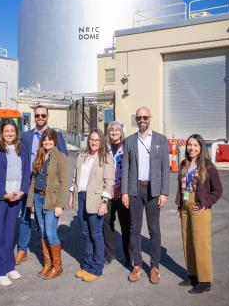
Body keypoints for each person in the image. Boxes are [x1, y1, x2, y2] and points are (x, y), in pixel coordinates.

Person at [121, 106, 169, 284]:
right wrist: (125, 191)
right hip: (134, 190)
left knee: (154, 229)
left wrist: (164, 192)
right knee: (134, 229)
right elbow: (125, 168)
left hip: (154, 191)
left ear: (150, 118)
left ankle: (155, 267)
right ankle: (137, 264)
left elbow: (165, 169)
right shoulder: (130, 141)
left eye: (145, 118)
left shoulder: (161, 140)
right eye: (139, 118)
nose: (142, 121)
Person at [16, 105, 67, 265]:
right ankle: (22, 249)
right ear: (34, 116)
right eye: (37, 115)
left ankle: (52, 261)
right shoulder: (26, 136)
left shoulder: (56, 136)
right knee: (25, 216)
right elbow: (20, 159)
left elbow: (63, 159)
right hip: (30, 182)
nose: (40, 118)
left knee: (47, 225)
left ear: (47, 116)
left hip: (49, 185)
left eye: (43, 115)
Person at [175, 134, 223, 294]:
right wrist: (179, 205)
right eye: (189, 145)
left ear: (201, 147)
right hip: (185, 206)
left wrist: (205, 203)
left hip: (200, 207)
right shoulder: (184, 163)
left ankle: (205, 280)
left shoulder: (208, 166)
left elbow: (218, 190)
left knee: (201, 243)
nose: (191, 148)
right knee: (187, 241)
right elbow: (180, 187)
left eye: (195, 145)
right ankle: (193, 275)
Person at [0, 119, 30, 286]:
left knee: (10, 232)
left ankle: (9, 266)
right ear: (1, 133)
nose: (10, 134)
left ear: (16, 132)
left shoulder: (21, 148)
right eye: (6, 131)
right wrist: (4, 194)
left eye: (12, 131)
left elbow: (26, 170)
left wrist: (22, 190)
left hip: (16, 196)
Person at [69, 128, 115, 282]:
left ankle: (97, 268)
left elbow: (109, 183)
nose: (94, 142)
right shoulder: (82, 156)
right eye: (92, 139)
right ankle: (87, 265)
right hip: (81, 197)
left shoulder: (105, 157)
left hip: (96, 200)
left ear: (102, 141)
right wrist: (71, 194)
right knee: (86, 234)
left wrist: (104, 202)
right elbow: (75, 176)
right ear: (88, 140)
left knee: (96, 235)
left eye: (97, 140)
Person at [27, 128, 69, 279]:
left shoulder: (61, 157)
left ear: (55, 140)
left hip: (52, 200)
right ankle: (47, 264)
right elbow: (33, 181)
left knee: (51, 233)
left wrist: (60, 205)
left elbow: (64, 183)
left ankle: (57, 266)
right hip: (38, 198)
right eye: (44, 139)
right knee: (43, 231)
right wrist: (30, 201)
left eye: (50, 139)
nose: (47, 142)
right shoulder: (39, 156)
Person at [103, 121, 130, 265]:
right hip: (107, 192)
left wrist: (124, 189)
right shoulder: (104, 148)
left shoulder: (127, 147)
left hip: (123, 192)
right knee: (107, 223)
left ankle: (128, 254)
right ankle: (109, 253)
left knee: (126, 224)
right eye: (111, 129)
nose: (114, 132)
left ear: (121, 132)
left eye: (117, 129)